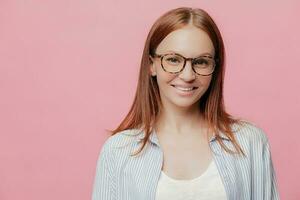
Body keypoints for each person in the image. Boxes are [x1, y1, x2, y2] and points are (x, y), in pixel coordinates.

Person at [91, 7, 280, 200]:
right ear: (151, 65)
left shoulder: (250, 142)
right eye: (173, 59)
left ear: (215, 67)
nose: (188, 75)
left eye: (201, 62)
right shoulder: (118, 151)